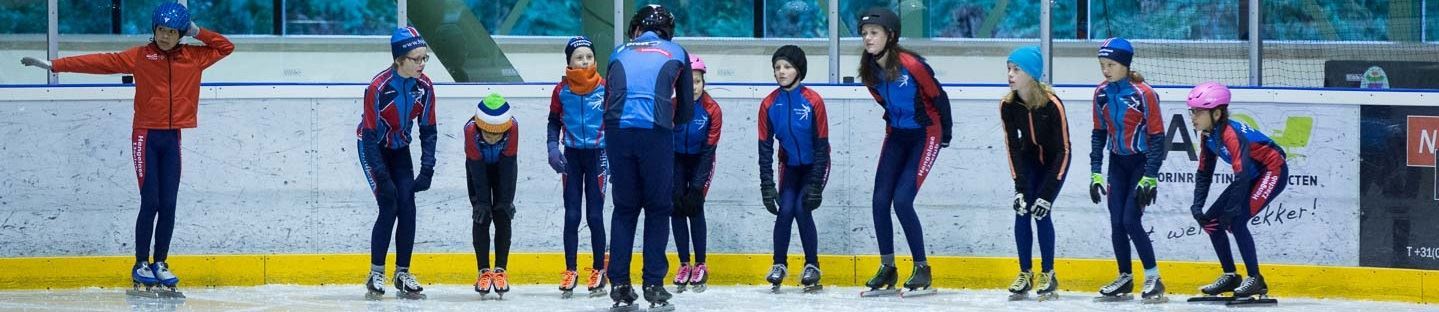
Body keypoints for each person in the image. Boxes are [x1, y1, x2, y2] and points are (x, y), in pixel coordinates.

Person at [19, 1, 234, 297]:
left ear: (182, 33)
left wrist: (197, 31)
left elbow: (225, 47)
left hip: (172, 138)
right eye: (161, 30)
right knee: (151, 201)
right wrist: (55, 65)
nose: (165, 37)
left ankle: (160, 262)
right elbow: (101, 62)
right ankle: (141, 263)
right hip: (146, 135)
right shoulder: (141, 56)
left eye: (172, 32)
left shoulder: (194, 57)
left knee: (169, 204)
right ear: (154, 30)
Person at [855, 7, 953, 294]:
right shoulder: (869, 70)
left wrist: (945, 134)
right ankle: (888, 267)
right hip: (897, 136)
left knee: (902, 201)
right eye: (864, 34)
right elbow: (883, 102)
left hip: (925, 135)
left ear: (891, 35)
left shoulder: (912, 65)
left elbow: (939, 96)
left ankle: (922, 268)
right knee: (879, 200)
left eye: (874, 33)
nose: (868, 39)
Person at [602, 4, 693, 309]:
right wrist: (668, 123)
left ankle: (620, 285)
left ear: (636, 30)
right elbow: (686, 111)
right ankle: (654, 284)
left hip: (617, 132)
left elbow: (608, 98)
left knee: (625, 208)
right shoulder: (677, 52)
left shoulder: (618, 51)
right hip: (655, 131)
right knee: (657, 208)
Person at [357, 26, 438, 300]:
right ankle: (376, 272)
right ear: (399, 59)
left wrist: (427, 169)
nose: (422, 64)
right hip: (374, 148)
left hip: (400, 148)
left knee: (408, 206)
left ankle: (402, 273)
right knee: (389, 204)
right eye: (416, 59)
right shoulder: (377, 88)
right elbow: (369, 136)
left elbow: (428, 130)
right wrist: (381, 175)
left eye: (425, 58)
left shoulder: (424, 87)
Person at [1187, 82, 1288, 300]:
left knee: (1237, 220)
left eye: (1198, 112)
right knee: (1210, 221)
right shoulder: (1208, 135)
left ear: (1216, 113)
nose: (1193, 117)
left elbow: (1240, 176)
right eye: (1192, 111)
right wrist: (1197, 205)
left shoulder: (1231, 134)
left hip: (1272, 170)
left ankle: (1255, 279)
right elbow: (1204, 172)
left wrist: (1232, 211)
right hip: (1251, 175)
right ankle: (1231, 275)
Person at [1089, 37, 1168, 301]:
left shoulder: (1144, 94)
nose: (1105, 70)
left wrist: (1151, 176)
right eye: (1102, 64)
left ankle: (1153, 277)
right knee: (1115, 222)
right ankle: (1125, 277)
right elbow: (1098, 134)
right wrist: (1095, 171)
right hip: (1117, 164)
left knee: (1130, 220)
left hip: (1141, 163)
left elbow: (1157, 138)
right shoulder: (1100, 93)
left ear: (1125, 64)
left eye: (1110, 64)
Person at [998, 46, 1070, 301]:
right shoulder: (1008, 106)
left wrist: (1048, 194)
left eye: (1016, 69)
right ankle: (1025, 272)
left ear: (1031, 74)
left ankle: (1048, 273)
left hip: (1053, 163)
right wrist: (1019, 187)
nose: (1010, 74)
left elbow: (1064, 150)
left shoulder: (1052, 105)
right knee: (1021, 210)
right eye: (1008, 68)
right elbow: (1013, 147)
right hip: (1029, 161)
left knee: (1041, 212)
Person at [758, 45, 830, 293]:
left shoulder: (813, 101)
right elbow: (765, 149)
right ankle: (779, 264)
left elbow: (822, 146)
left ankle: (812, 265)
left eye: (787, 66)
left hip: (815, 165)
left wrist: (816, 183)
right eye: (777, 67)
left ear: (799, 70)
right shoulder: (769, 104)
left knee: (802, 208)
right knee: (785, 209)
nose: (781, 72)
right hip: (789, 166)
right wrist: (766, 185)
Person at [548, 36, 610, 297]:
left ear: (595, 60)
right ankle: (570, 269)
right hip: (571, 156)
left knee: (595, 216)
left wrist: (616, 155)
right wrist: (553, 147)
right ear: (569, 62)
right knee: (571, 215)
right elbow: (553, 121)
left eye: (589, 57)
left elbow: (615, 121)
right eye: (579, 57)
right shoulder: (561, 90)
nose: (585, 61)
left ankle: (599, 270)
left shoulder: (606, 88)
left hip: (598, 156)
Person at [671, 54, 721, 294]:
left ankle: (700, 263)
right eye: (688, 82)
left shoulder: (712, 110)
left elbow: (709, 150)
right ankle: (683, 263)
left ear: (704, 82)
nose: (693, 87)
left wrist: (698, 187)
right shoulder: (672, 106)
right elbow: (665, 143)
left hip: (701, 160)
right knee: (677, 207)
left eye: (698, 81)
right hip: (676, 159)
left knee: (695, 206)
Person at [466, 93, 520, 299]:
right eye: (487, 133)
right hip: (477, 167)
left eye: (497, 134)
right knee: (481, 215)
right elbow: (476, 168)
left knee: (502, 212)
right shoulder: (470, 130)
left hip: (503, 167)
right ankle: (483, 271)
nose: (492, 138)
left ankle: (500, 270)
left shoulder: (513, 127)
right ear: (479, 126)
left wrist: (505, 200)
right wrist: (481, 202)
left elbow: (508, 163)